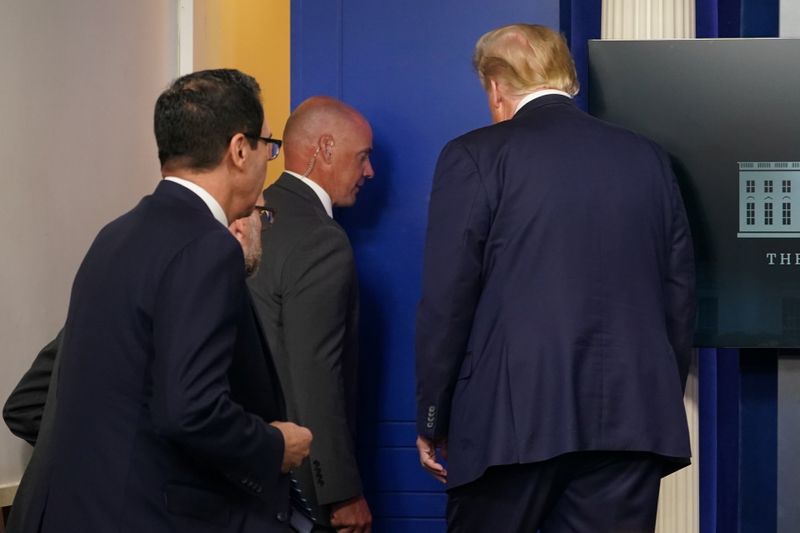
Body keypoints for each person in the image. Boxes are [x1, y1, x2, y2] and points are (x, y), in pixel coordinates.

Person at [415, 24, 696, 533]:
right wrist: (650, 392)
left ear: (496, 88)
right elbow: (679, 295)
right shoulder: (648, 159)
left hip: (509, 426)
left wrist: (434, 416)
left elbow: (447, 301)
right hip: (630, 426)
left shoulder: (475, 155)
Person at [6, 69, 312, 533]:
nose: (267, 160)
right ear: (239, 149)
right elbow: (190, 409)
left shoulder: (116, 235)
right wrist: (274, 445)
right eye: (268, 146)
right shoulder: (208, 247)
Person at [2, 203, 272, 446]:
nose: (262, 226)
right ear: (238, 226)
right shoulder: (178, 309)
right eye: (259, 212)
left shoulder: (124, 296)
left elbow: (25, 405)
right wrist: (120, 462)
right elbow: (25, 406)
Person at [248, 96, 374, 532]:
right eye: (363, 157)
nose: (369, 171)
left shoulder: (246, 217)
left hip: (245, 472)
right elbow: (315, 374)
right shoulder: (322, 240)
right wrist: (340, 493)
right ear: (323, 148)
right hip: (302, 488)